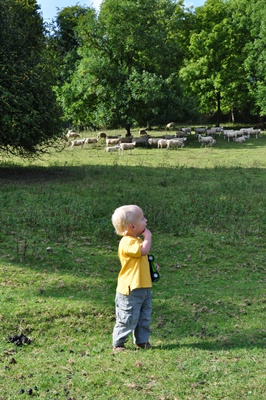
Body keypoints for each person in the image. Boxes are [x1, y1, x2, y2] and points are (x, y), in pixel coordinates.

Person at [111, 205, 160, 352]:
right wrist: (148, 236)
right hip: (130, 289)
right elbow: (144, 251)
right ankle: (118, 343)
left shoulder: (137, 241)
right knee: (128, 317)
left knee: (144, 316)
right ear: (132, 226)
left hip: (143, 287)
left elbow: (141, 258)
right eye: (142, 218)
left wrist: (151, 266)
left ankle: (142, 340)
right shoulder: (127, 242)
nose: (146, 220)